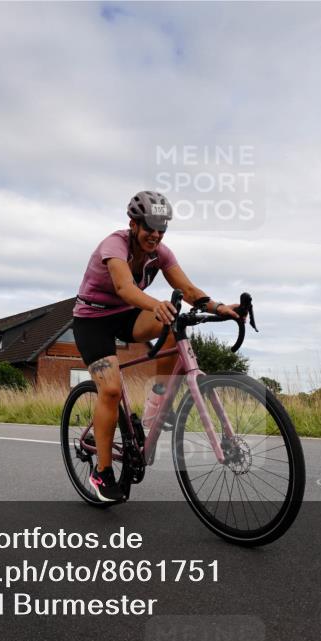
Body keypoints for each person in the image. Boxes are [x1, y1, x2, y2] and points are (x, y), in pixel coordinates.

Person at [72, 191, 239, 502]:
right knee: (110, 390)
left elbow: (187, 289)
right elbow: (124, 287)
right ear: (133, 224)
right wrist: (155, 305)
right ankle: (102, 472)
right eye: (150, 227)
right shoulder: (114, 246)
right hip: (92, 320)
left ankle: (156, 402)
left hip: (126, 316)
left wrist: (218, 307)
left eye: (162, 229)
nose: (156, 235)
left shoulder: (161, 253)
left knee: (174, 326)